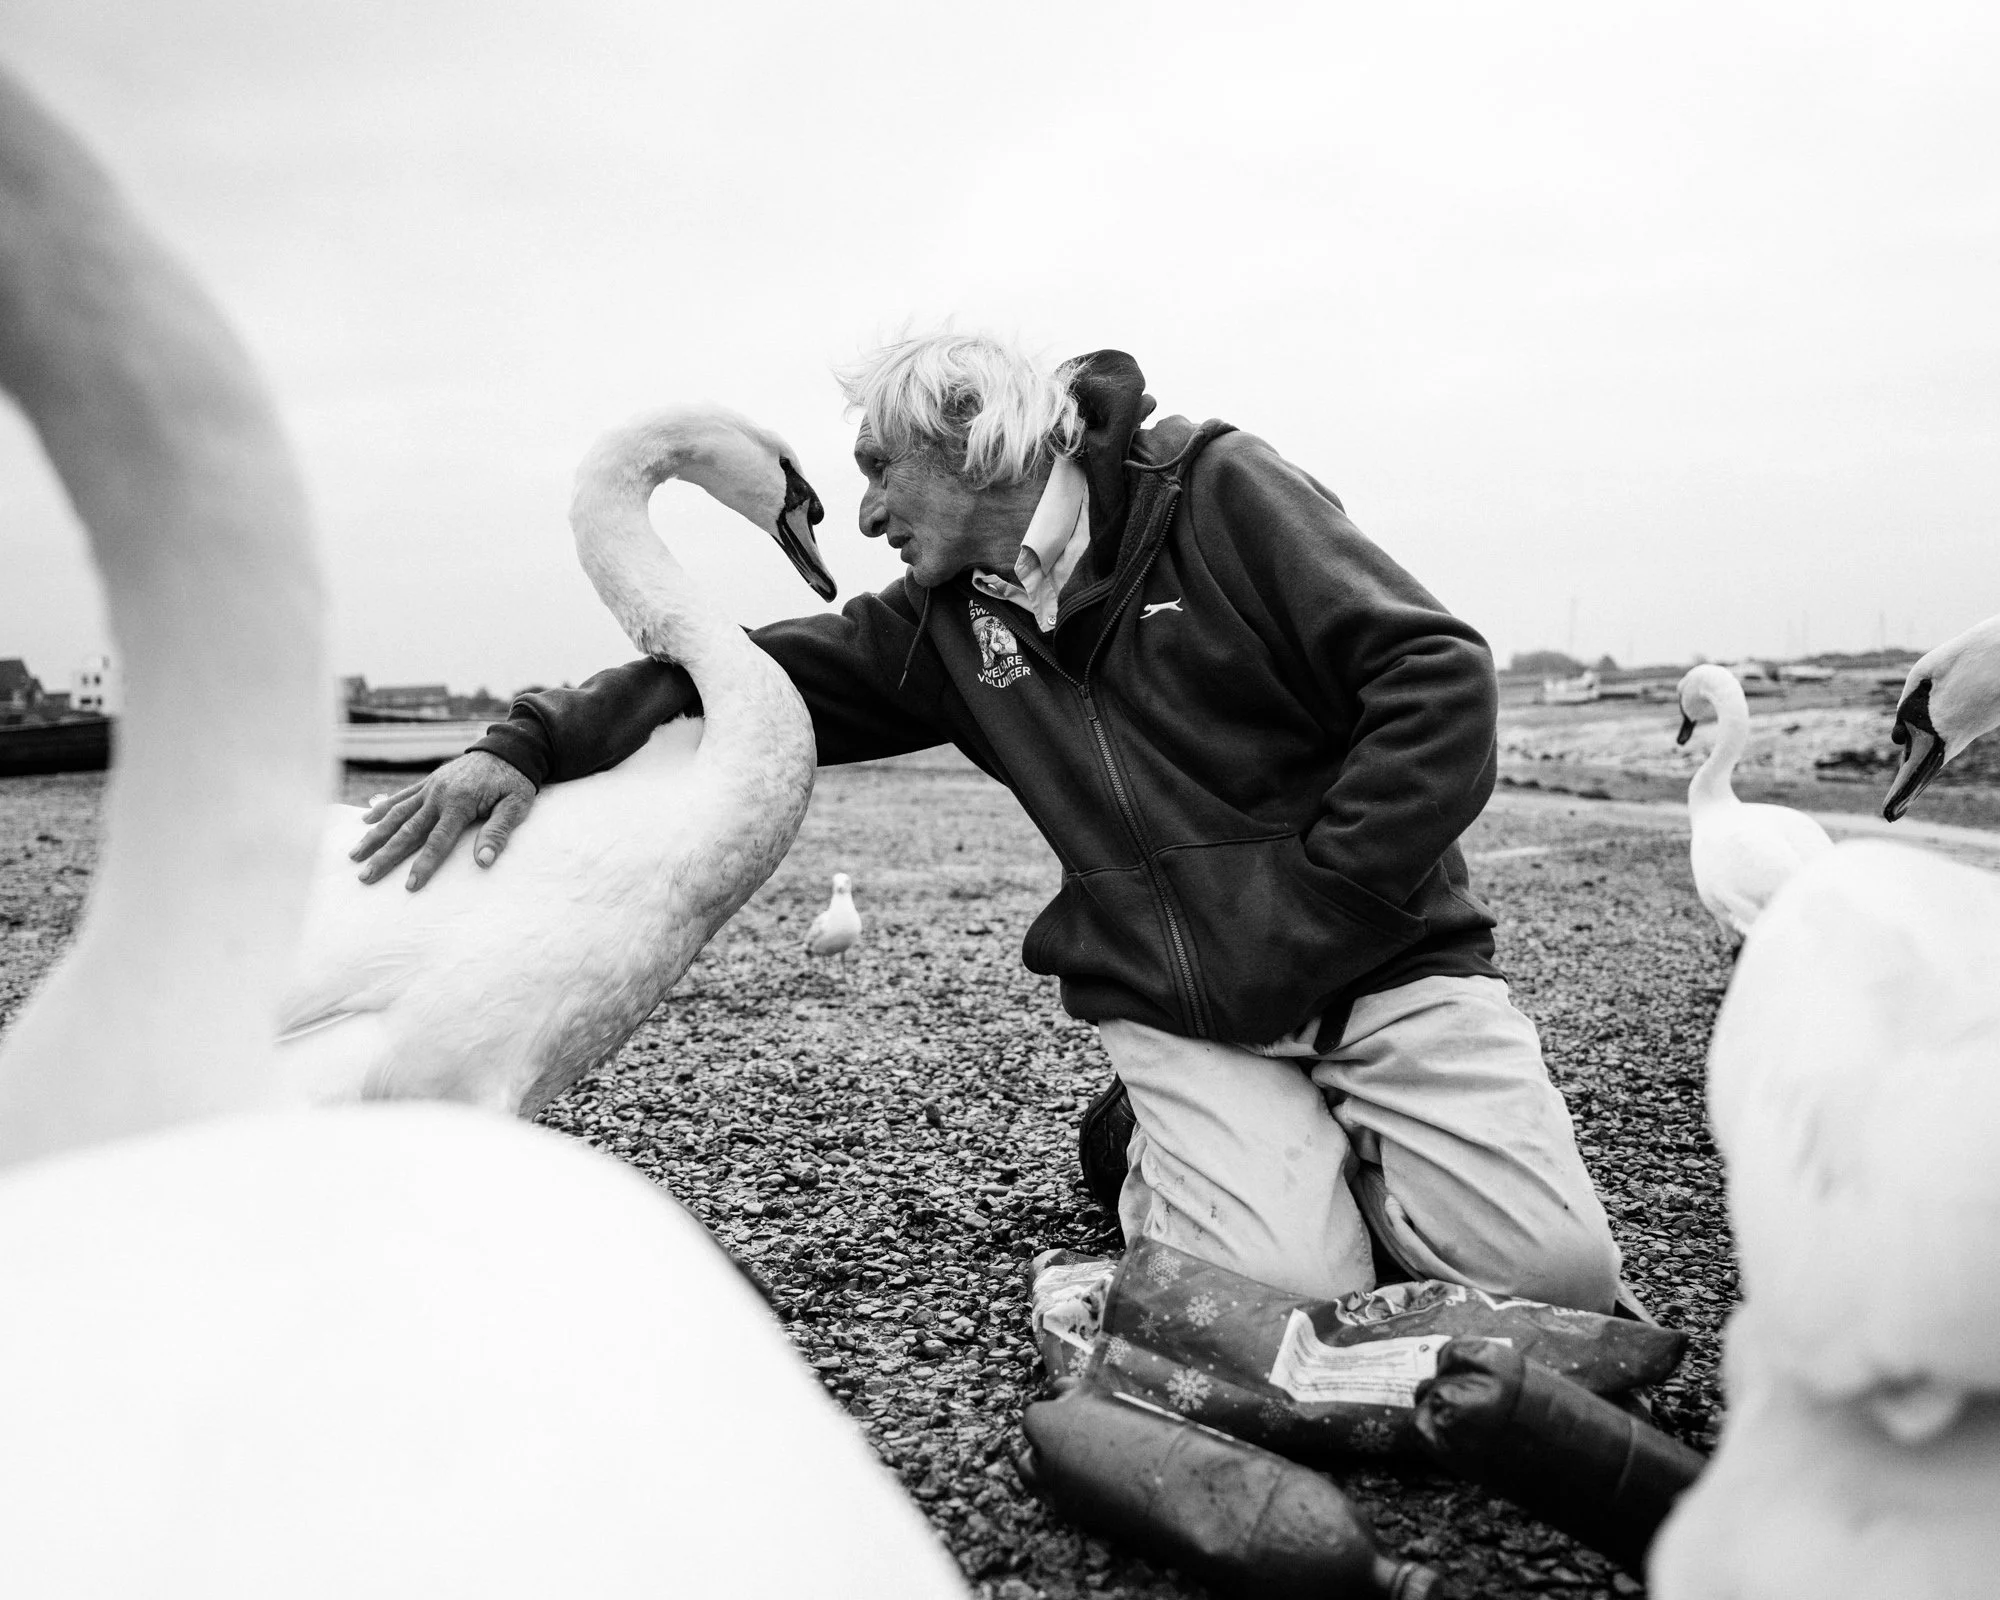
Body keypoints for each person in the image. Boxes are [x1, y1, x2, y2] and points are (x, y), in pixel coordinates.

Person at [354, 334, 1622, 1311]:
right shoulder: (942, 626)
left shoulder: (1216, 493)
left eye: (872, 471)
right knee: (1276, 1300)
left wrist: (1323, 899)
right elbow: (728, 672)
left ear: (964, 433)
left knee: (1553, 1279)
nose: (859, 518)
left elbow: (1434, 678)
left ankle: (1289, 1146)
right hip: (1184, 1005)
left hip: (1378, 962)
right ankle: (1159, 1142)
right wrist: (521, 740)